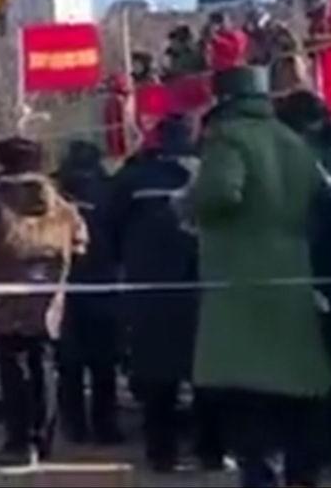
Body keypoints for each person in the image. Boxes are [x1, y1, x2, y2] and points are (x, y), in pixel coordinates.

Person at [193, 66, 331, 488]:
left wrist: (188, 204)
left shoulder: (228, 138)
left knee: (248, 395)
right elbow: (324, 194)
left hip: (241, 280)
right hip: (294, 274)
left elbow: (220, 192)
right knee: (296, 392)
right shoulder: (293, 142)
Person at [0, 137, 87, 465]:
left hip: (5, 295)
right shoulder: (61, 203)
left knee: (13, 367)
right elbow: (81, 242)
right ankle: (44, 439)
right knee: (43, 364)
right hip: (48, 298)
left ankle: (19, 443)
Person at [112, 117, 199, 472]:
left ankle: (161, 452)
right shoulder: (207, 172)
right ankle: (210, 447)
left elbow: (111, 225)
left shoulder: (135, 179)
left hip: (149, 287)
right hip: (201, 286)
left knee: (157, 375)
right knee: (204, 374)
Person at [56, 140, 122, 445]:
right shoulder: (110, 192)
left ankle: (74, 425)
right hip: (104, 284)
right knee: (104, 364)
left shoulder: (56, 195)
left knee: (69, 364)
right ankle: (105, 426)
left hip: (66, 286)